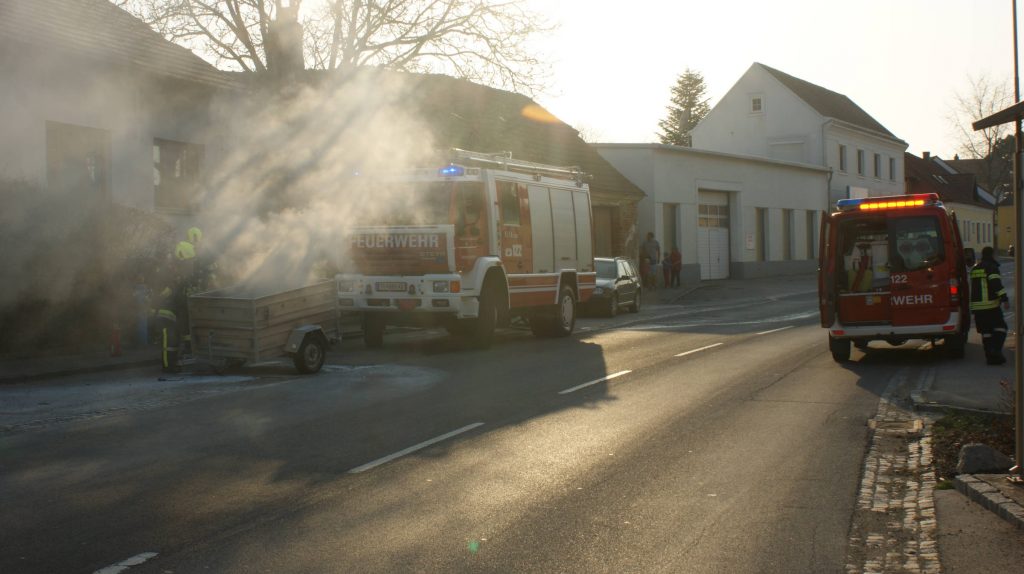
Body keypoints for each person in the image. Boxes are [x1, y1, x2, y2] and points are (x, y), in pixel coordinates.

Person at [969, 246, 1010, 365]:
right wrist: (1005, 299)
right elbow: (996, 284)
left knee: (986, 333)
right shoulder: (991, 267)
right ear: (992, 255)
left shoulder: (975, 268)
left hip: (977, 308)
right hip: (990, 306)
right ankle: (995, 351)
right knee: (1001, 328)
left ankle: (990, 358)